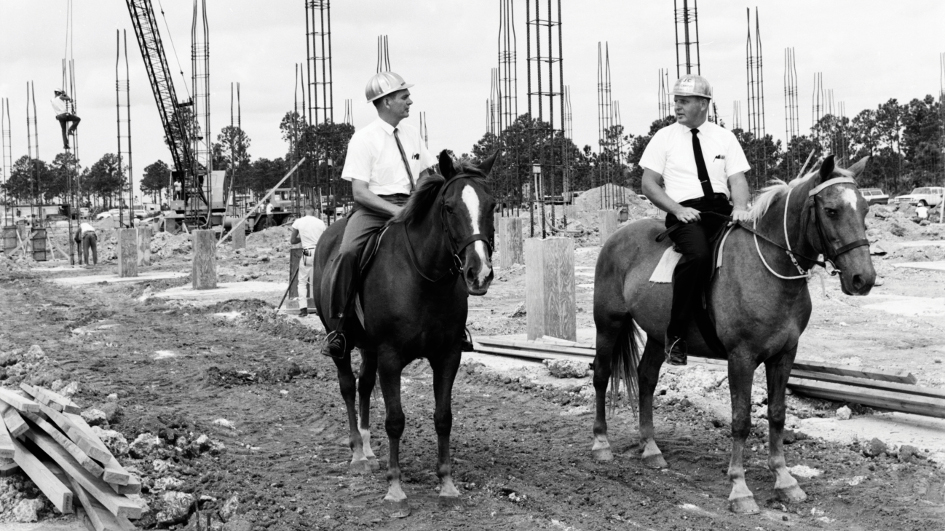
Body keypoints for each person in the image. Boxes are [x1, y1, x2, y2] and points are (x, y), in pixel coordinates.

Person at [320, 71, 440, 359]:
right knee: (348, 252)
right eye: (403, 96)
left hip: (411, 203)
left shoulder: (412, 134)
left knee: (446, 242)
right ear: (386, 102)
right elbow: (360, 192)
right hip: (374, 208)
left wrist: (424, 201)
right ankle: (340, 327)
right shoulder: (363, 139)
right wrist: (396, 212)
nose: (410, 100)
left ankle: (451, 325)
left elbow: (426, 174)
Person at [640, 74, 752, 366]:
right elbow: (649, 184)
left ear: (703, 104)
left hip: (720, 210)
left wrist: (740, 206)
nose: (677, 106)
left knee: (752, 250)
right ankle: (676, 334)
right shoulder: (663, 138)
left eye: (684, 101)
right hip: (685, 214)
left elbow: (737, 179)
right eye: (676, 101)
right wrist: (676, 209)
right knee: (699, 255)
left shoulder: (725, 138)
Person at [290, 204, 327, 306]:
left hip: (307, 251)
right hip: (318, 251)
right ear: (314, 211)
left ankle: (303, 308)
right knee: (319, 280)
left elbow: (293, 240)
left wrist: (303, 238)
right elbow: (325, 239)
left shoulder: (298, 222)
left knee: (302, 281)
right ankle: (319, 308)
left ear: (304, 211)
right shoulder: (320, 223)